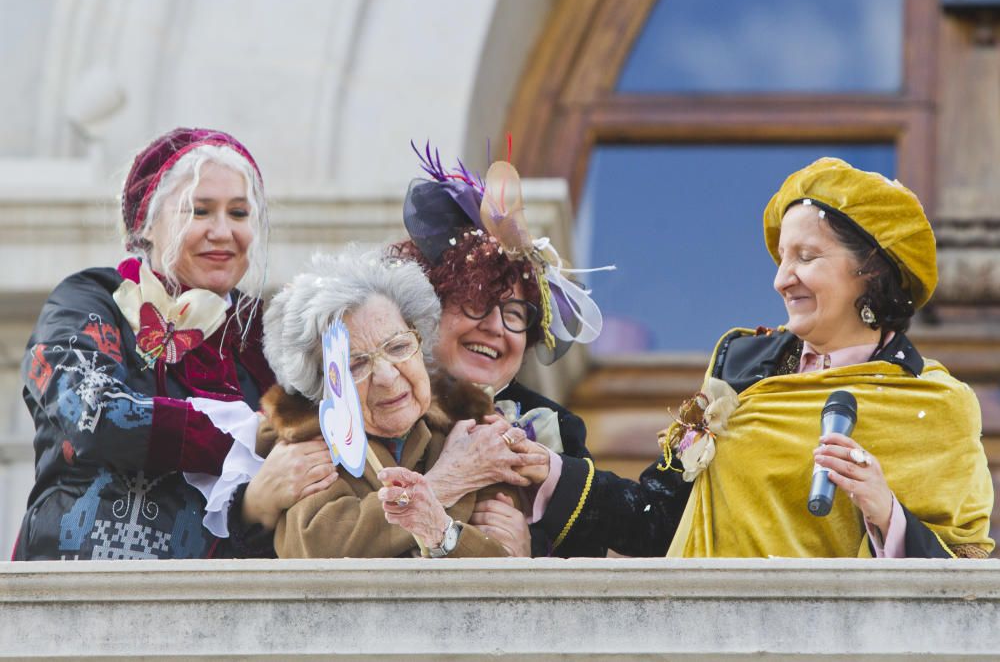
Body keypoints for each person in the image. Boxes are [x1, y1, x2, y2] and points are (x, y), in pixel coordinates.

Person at [529, 157, 994, 558]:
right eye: (780, 260)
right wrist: (548, 472)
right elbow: (659, 515)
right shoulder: (741, 362)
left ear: (870, 271)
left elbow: (961, 577)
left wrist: (885, 513)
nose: (782, 280)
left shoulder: (936, 404)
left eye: (806, 257)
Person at [13, 128, 335, 560]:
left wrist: (255, 504)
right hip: (78, 586)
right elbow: (90, 411)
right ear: (146, 224)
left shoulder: (265, 332)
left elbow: (298, 483)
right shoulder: (93, 299)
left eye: (239, 214)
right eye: (199, 211)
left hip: (226, 607)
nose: (223, 232)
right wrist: (246, 435)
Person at [389, 144, 609, 557]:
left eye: (513, 312)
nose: (494, 327)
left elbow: (589, 589)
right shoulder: (376, 400)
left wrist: (528, 556)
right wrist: (449, 480)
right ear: (428, 305)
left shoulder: (556, 433)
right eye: (475, 302)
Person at [260, 245, 544, 558]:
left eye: (397, 348)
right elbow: (315, 544)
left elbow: (499, 564)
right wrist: (448, 480)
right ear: (322, 386)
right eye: (355, 365)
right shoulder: (310, 444)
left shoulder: (472, 431)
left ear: (421, 343)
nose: (386, 376)